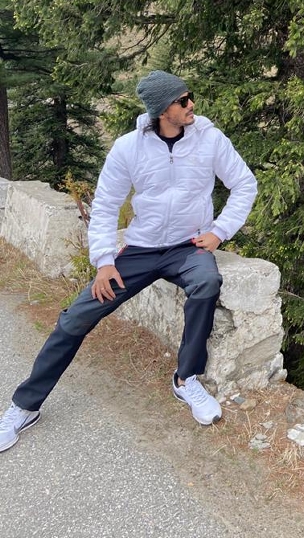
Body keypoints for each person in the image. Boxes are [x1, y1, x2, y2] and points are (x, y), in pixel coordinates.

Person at [0, 70, 257, 452]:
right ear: (162, 110)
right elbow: (105, 205)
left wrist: (220, 231)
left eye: (190, 96)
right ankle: (24, 406)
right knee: (76, 317)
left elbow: (244, 184)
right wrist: (105, 261)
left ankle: (185, 380)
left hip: (189, 246)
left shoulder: (210, 138)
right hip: (140, 249)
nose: (192, 105)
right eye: (183, 100)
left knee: (206, 283)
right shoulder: (128, 148)